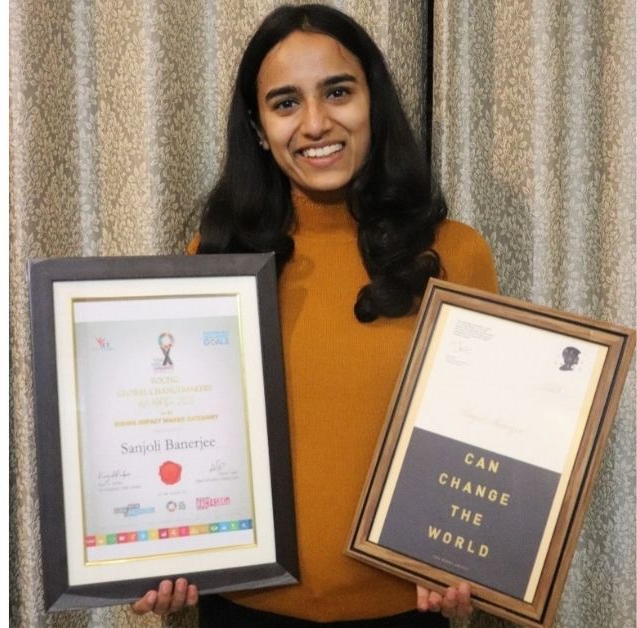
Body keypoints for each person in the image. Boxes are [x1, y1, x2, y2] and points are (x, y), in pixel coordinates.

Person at [132, 5, 496, 625]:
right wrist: (159, 549)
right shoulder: (214, 259)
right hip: (244, 611)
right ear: (257, 127)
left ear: (372, 102)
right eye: (285, 102)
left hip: (402, 615)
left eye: (338, 92)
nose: (316, 123)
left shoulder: (455, 252)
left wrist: (481, 556)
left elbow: (487, 435)